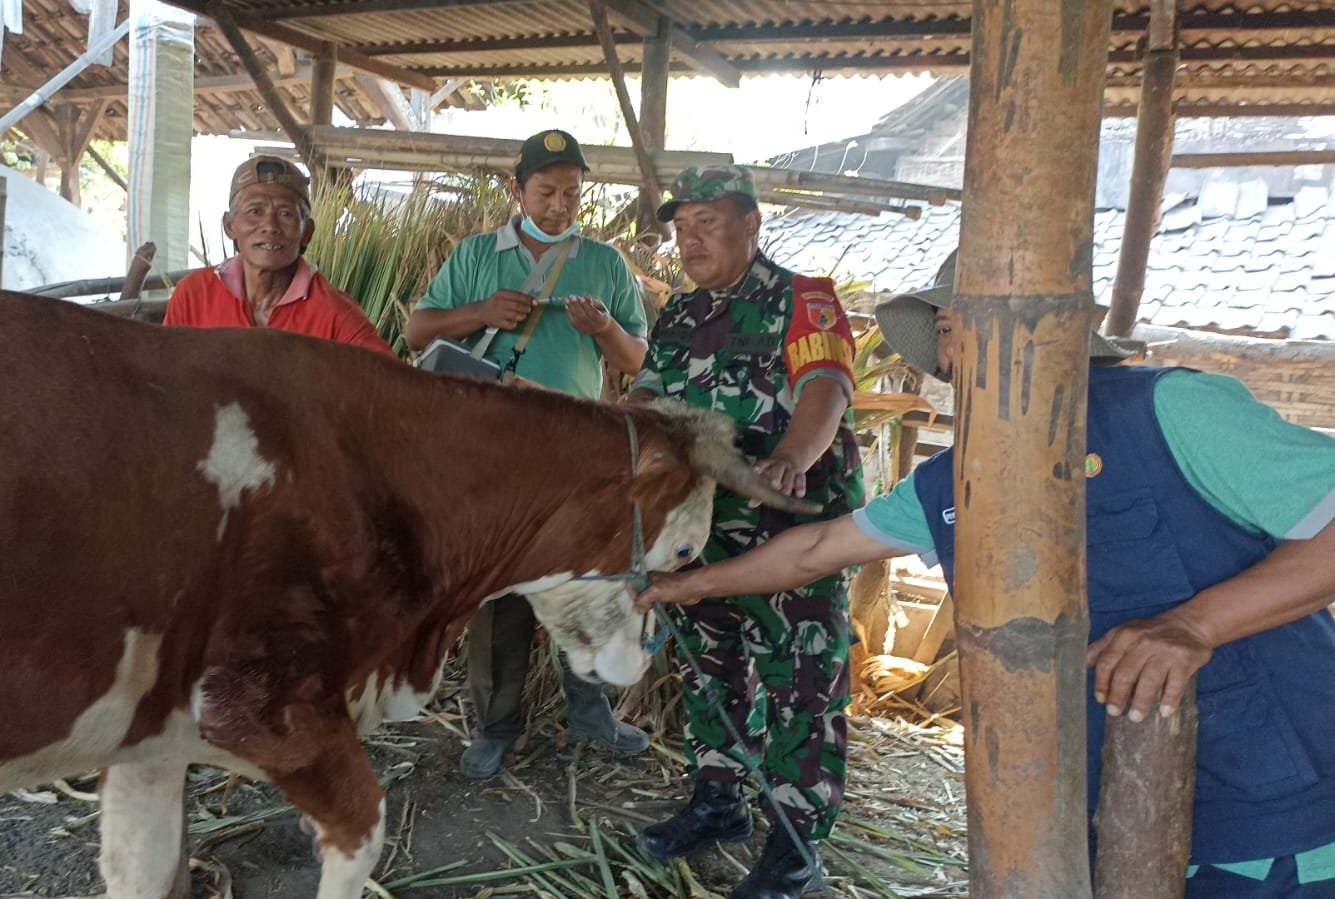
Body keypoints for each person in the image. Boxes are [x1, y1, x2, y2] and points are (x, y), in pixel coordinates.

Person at [636, 251, 1335, 898]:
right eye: (944, 328)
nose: (951, 346)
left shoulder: (1166, 410)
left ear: (1054, 329)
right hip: (1092, 806)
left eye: (967, 322)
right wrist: (680, 586)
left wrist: (1196, 624)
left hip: (1275, 812)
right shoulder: (950, 479)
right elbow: (813, 549)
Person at [625, 165, 863, 899]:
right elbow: (648, 400)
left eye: (707, 222)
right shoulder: (679, 313)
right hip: (703, 530)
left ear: (751, 224)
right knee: (711, 668)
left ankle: (795, 842)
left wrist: (792, 455)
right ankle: (718, 800)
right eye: (681, 227)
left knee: (802, 682)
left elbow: (826, 387)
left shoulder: (803, 299)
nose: (689, 239)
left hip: (791, 532)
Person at [403, 129, 653, 780]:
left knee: (587, 583)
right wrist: (480, 312)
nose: (559, 205)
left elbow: (639, 360)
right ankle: (496, 728)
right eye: (545, 192)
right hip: (491, 459)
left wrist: (603, 328)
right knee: (499, 591)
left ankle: (591, 712)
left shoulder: (604, 263)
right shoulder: (476, 255)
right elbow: (417, 330)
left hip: (575, 459)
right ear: (517, 191)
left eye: (571, 193)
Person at [162, 153, 393, 355]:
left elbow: (385, 379)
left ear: (307, 232)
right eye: (255, 211)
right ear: (230, 226)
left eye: (285, 214)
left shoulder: (334, 312)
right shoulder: (194, 295)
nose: (270, 226)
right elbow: (164, 374)